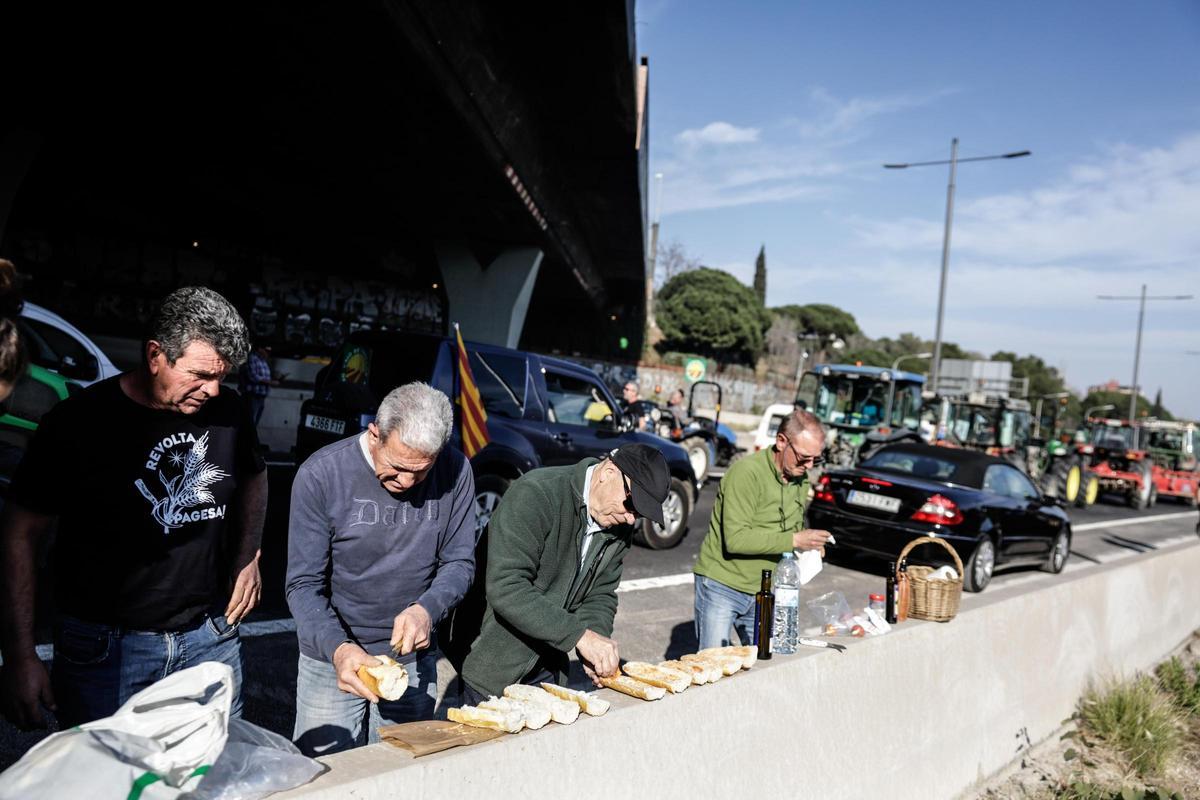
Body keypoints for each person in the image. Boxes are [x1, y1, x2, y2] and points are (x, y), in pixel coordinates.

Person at [0, 286, 266, 730]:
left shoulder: (230, 411)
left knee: (212, 781)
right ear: (156, 355)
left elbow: (255, 477)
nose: (214, 390)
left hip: (208, 638)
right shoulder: (78, 422)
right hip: (104, 651)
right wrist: (21, 655)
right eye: (200, 374)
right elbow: (18, 535)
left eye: (223, 376)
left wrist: (248, 555)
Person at [287, 381, 476, 756]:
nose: (406, 482)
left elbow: (459, 562)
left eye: (421, 472)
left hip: (412, 658)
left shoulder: (456, 470)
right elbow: (303, 585)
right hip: (331, 655)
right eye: (397, 467)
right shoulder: (321, 474)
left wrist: (427, 609)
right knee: (325, 776)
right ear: (375, 434)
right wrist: (339, 651)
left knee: (401, 774)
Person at [459, 444, 670, 702]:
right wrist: (580, 636)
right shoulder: (536, 494)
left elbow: (601, 593)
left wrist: (595, 643)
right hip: (493, 667)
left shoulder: (618, 526)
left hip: (548, 669)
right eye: (631, 503)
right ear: (608, 472)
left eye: (639, 513)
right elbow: (507, 586)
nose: (629, 519)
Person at [692, 409, 831, 649]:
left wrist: (809, 547)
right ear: (781, 442)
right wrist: (795, 540)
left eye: (815, 459)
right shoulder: (746, 473)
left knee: (763, 663)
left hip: (764, 590)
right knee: (712, 668)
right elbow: (736, 539)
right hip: (722, 586)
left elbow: (791, 528)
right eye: (803, 457)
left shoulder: (800, 479)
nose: (808, 465)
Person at [237, 340, 281, 426]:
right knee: (249, 422)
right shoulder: (252, 358)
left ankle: (250, 438)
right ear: (260, 349)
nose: (268, 353)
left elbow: (263, 377)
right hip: (252, 396)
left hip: (261, 397)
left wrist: (274, 379)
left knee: (254, 422)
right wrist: (271, 382)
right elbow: (253, 377)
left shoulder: (263, 361)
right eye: (266, 350)